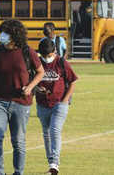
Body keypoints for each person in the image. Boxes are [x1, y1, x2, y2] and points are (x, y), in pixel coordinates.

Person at [0, 19, 44, 175]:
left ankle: (18, 172)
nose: (2, 35)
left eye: (6, 32)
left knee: (18, 141)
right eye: (2, 31)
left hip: (21, 103)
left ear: (15, 34)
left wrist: (30, 87)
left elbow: (40, 72)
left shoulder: (27, 52)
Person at [36, 39, 78, 175]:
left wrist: (65, 100)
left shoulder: (61, 62)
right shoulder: (37, 63)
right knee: (46, 132)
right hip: (42, 103)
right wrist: (37, 88)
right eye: (43, 56)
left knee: (55, 130)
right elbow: (31, 81)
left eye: (48, 56)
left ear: (54, 51)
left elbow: (72, 81)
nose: (46, 59)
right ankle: (51, 162)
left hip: (59, 102)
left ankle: (54, 163)